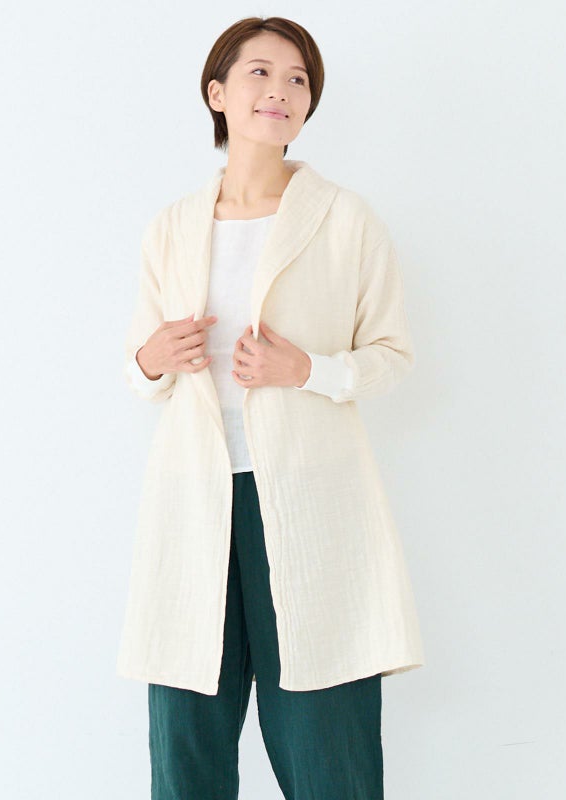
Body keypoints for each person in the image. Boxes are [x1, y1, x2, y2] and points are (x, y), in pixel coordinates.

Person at [116, 15, 425, 800]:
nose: (280, 90)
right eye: (260, 72)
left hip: (309, 499)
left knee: (328, 753)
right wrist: (153, 357)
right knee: (186, 747)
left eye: (298, 79)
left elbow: (391, 356)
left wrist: (307, 368)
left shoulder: (345, 218)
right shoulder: (172, 227)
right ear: (217, 93)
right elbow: (139, 368)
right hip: (195, 499)